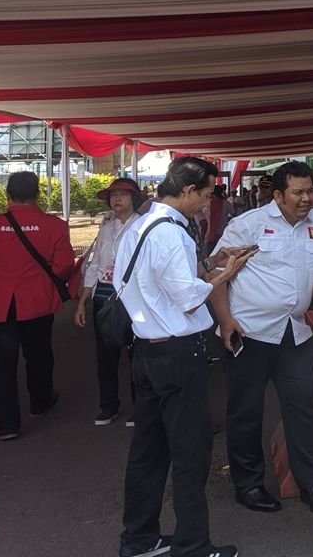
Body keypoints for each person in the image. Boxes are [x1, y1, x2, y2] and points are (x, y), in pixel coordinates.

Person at [117, 157, 252, 557]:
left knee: (148, 451)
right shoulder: (170, 233)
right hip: (178, 353)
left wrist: (210, 262)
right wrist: (225, 274)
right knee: (190, 453)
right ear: (189, 190)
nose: (206, 203)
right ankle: (193, 545)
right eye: (206, 194)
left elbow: (154, 282)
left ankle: (138, 539)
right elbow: (189, 298)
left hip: (146, 350)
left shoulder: (137, 226)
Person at [208, 160, 313, 516]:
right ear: (278, 195)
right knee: (246, 411)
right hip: (250, 331)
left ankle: (311, 484)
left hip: (295, 332)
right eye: (298, 192)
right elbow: (218, 275)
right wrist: (225, 320)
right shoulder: (249, 225)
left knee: (303, 408)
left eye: (310, 190)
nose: (307, 198)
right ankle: (248, 484)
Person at [0, 171, 75, 441]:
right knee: (38, 353)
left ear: (8, 195)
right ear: (38, 194)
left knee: (0, 363)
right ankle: (41, 400)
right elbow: (63, 267)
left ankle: (6, 422)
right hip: (37, 301)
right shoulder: (55, 226)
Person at [74, 177, 145, 427]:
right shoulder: (106, 225)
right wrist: (83, 301)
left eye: (123, 195)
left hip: (133, 298)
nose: (116, 199)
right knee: (105, 354)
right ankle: (108, 406)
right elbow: (95, 264)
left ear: (134, 199)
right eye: (113, 195)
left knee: (137, 355)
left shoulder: (144, 225)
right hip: (104, 297)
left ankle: (141, 408)